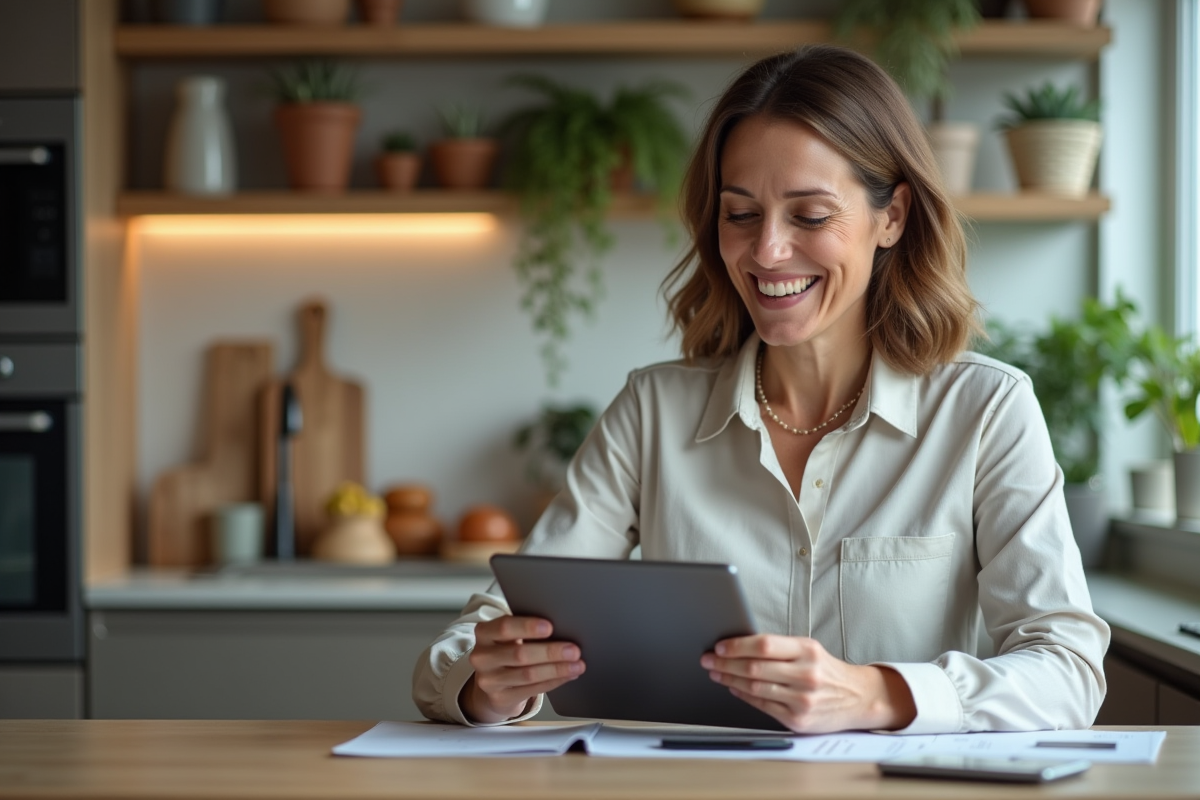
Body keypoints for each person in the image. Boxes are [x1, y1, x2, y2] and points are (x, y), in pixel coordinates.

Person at [412, 44, 1109, 734]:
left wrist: (874, 694)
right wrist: (489, 684)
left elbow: (1068, 670)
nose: (767, 250)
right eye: (741, 214)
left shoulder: (986, 411)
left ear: (891, 217)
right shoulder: (652, 413)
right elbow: (471, 641)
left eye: (809, 215)